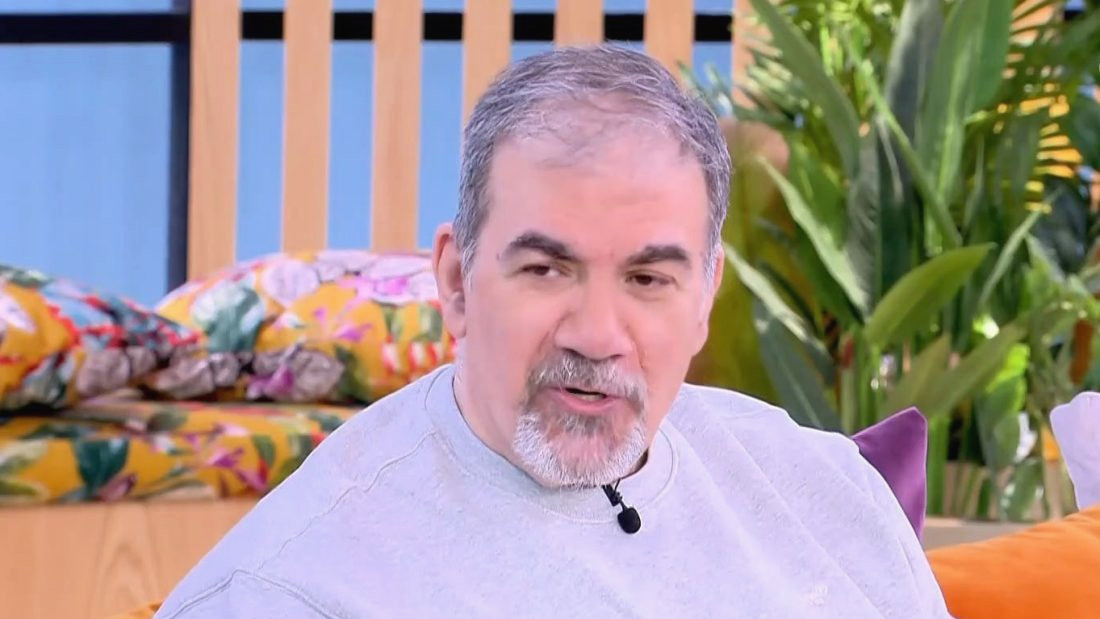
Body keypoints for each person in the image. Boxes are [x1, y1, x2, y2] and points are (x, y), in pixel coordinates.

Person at [155, 44, 951, 618]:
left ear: (705, 295)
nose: (597, 334)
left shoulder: (828, 495)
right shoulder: (292, 589)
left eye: (648, 279)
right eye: (546, 269)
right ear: (457, 281)